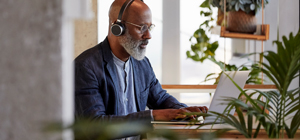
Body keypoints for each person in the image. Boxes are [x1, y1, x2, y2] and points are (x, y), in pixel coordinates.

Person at [74, 0, 208, 139]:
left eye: (150, 27)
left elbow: (160, 99)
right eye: (142, 27)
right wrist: (152, 115)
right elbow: (94, 126)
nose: (148, 35)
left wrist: (184, 111)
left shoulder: (142, 64)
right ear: (117, 27)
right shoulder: (85, 67)